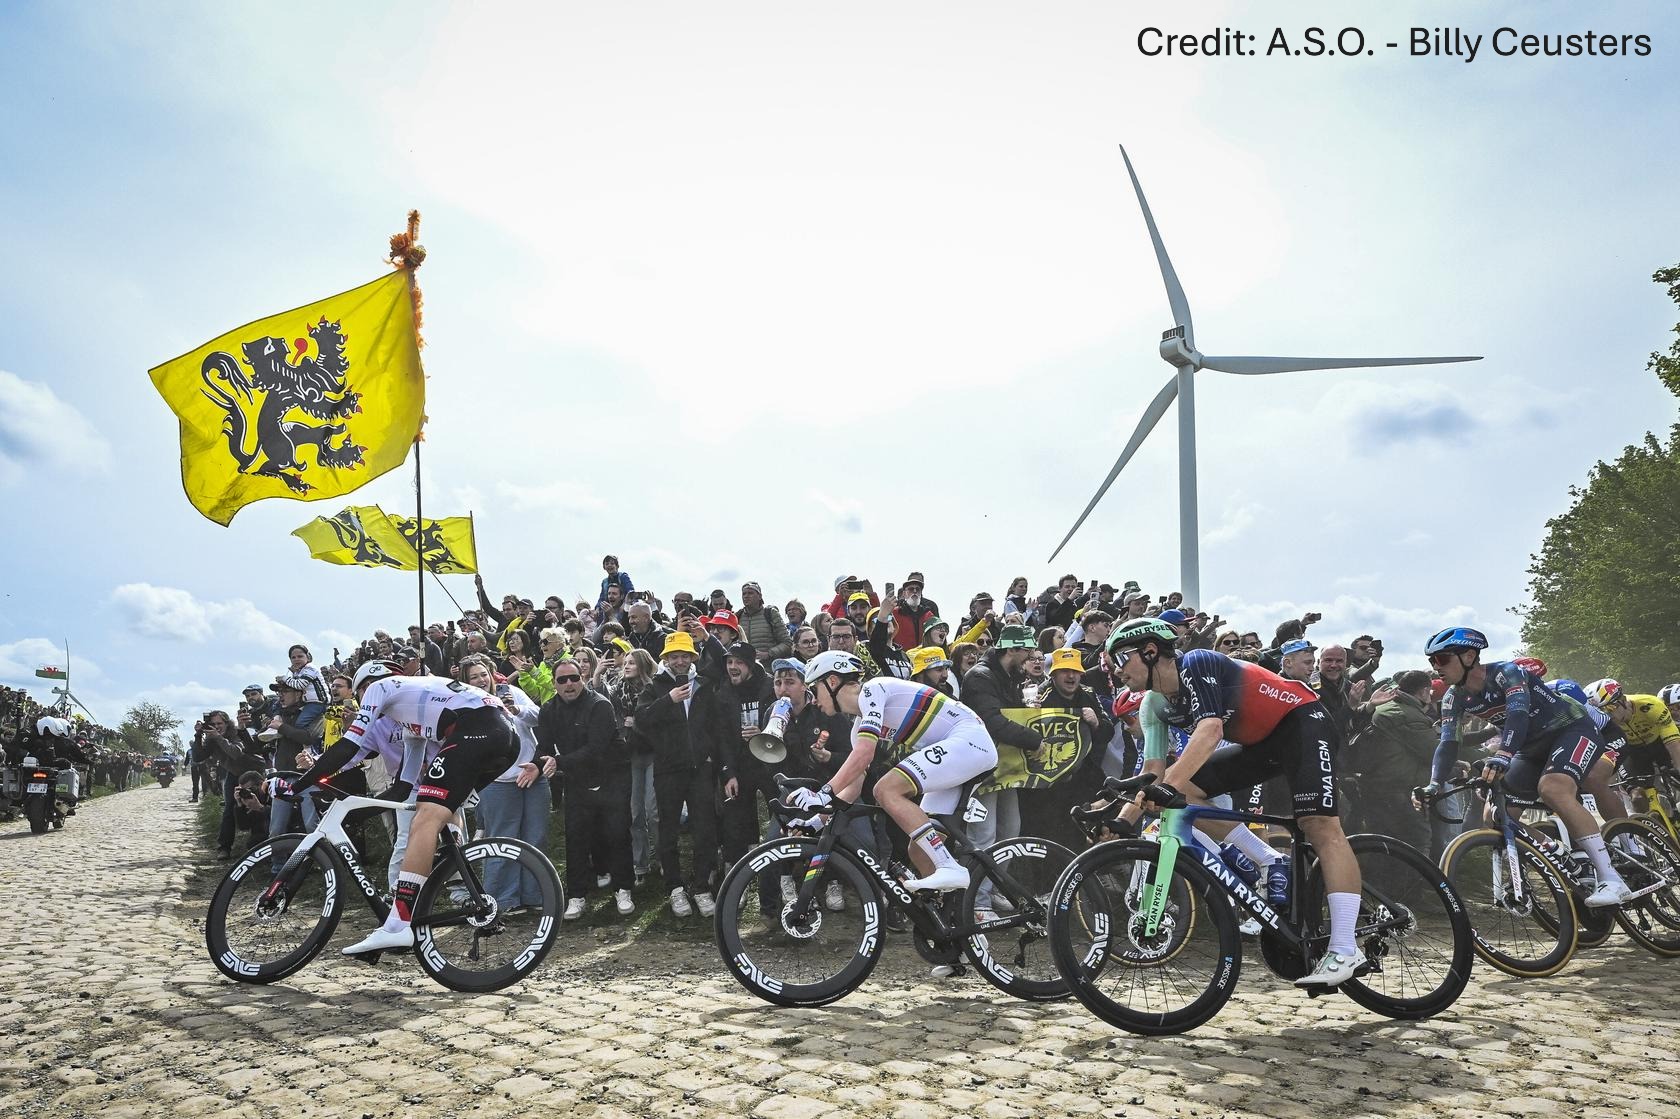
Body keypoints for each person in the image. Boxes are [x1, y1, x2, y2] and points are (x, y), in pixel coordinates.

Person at [1107, 618, 1367, 987]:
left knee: (1320, 827)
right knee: (1183, 794)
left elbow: (1210, 730)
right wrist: (1123, 820)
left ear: (1150, 652)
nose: (1117, 671)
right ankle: (1268, 858)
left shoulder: (1195, 663)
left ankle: (1344, 947)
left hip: (1303, 721)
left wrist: (1164, 789)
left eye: (1122, 659)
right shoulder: (1153, 706)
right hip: (1262, 744)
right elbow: (1154, 774)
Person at [292, 661, 521, 954]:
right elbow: (402, 788)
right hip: (503, 737)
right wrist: (352, 814)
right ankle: (458, 873)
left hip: (479, 729)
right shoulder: (413, 722)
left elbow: (348, 747)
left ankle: (398, 923)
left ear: (363, 689)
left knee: (424, 818)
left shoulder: (379, 687)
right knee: (438, 810)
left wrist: (296, 785)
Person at [1421, 627, 1631, 907]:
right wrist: (1434, 783)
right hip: (1530, 748)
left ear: (1469, 656)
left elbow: (1518, 716)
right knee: (1497, 816)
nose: (1436, 667)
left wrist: (1503, 754)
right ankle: (1558, 854)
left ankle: (1612, 878)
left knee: (1553, 789)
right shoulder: (1453, 698)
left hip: (1570, 730)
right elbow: (1448, 744)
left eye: (1443, 659)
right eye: (1432, 661)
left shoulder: (1507, 673)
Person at [789, 651, 998, 894]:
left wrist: (822, 793)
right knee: (919, 849)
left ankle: (949, 866)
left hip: (969, 739)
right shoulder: (859, 726)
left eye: (814, 689)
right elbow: (853, 788)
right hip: (959, 748)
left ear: (832, 682)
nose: (813, 700)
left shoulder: (872, 690)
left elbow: (864, 753)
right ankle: (945, 919)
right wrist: (815, 822)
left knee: (886, 790)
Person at [536, 657, 635, 917]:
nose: (569, 684)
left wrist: (557, 763)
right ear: (554, 683)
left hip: (612, 775)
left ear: (582, 678)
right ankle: (577, 895)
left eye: (574, 678)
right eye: (562, 680)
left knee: (617, 833)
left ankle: (623, 888)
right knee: (576, 836)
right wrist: (538, 765)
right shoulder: (548, 709)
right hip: (577, 777)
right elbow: (544, 747)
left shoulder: (599, 704)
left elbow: (596, 749)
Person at [460, 655, 555, 917]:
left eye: (483, 674)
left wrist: (518, 710)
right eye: (474, 677)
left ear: (491, 674)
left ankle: (535, 895)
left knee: (535, 837)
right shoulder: (466, 703)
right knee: (503, 840)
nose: (481, 680)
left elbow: (539, 718)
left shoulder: (511, 692)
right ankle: (502, 900)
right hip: (496, 781)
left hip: (532, 773)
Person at [1588, 679, 1680, 796]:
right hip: (1632, 751)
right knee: (1637, 796)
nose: (1606, 716)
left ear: (1622, 701)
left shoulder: (1651, 704)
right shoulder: (1602, 723)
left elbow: (1672, 742)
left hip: (1659, 744)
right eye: (1598, 712)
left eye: (1608, 709)